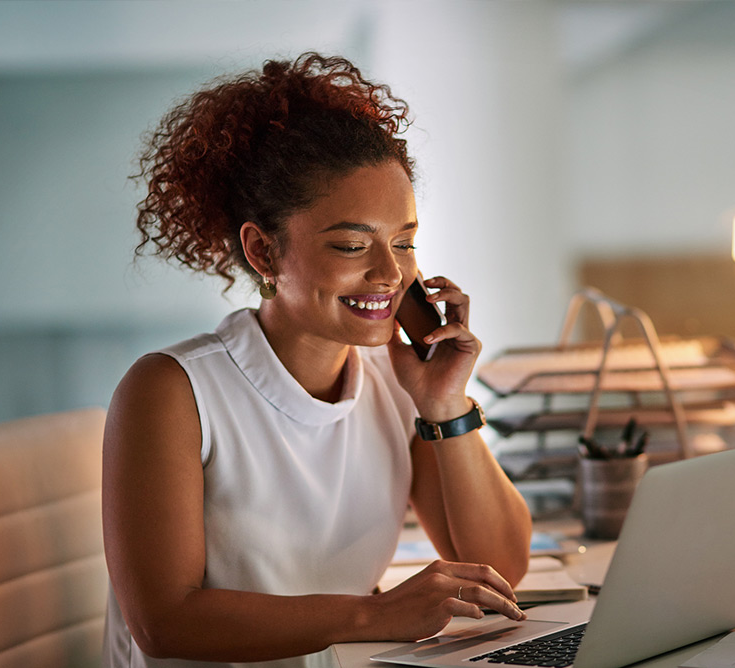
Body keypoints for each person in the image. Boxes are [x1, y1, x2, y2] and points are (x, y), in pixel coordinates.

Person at [101, 52, 532, 668]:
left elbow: (499, 569)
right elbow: (165, 623)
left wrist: (445, 405)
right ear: (263, 252)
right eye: (354, 244)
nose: (390, 273)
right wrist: (377, 616)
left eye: (405, 242)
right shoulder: (172, 389)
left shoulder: (392, 380)